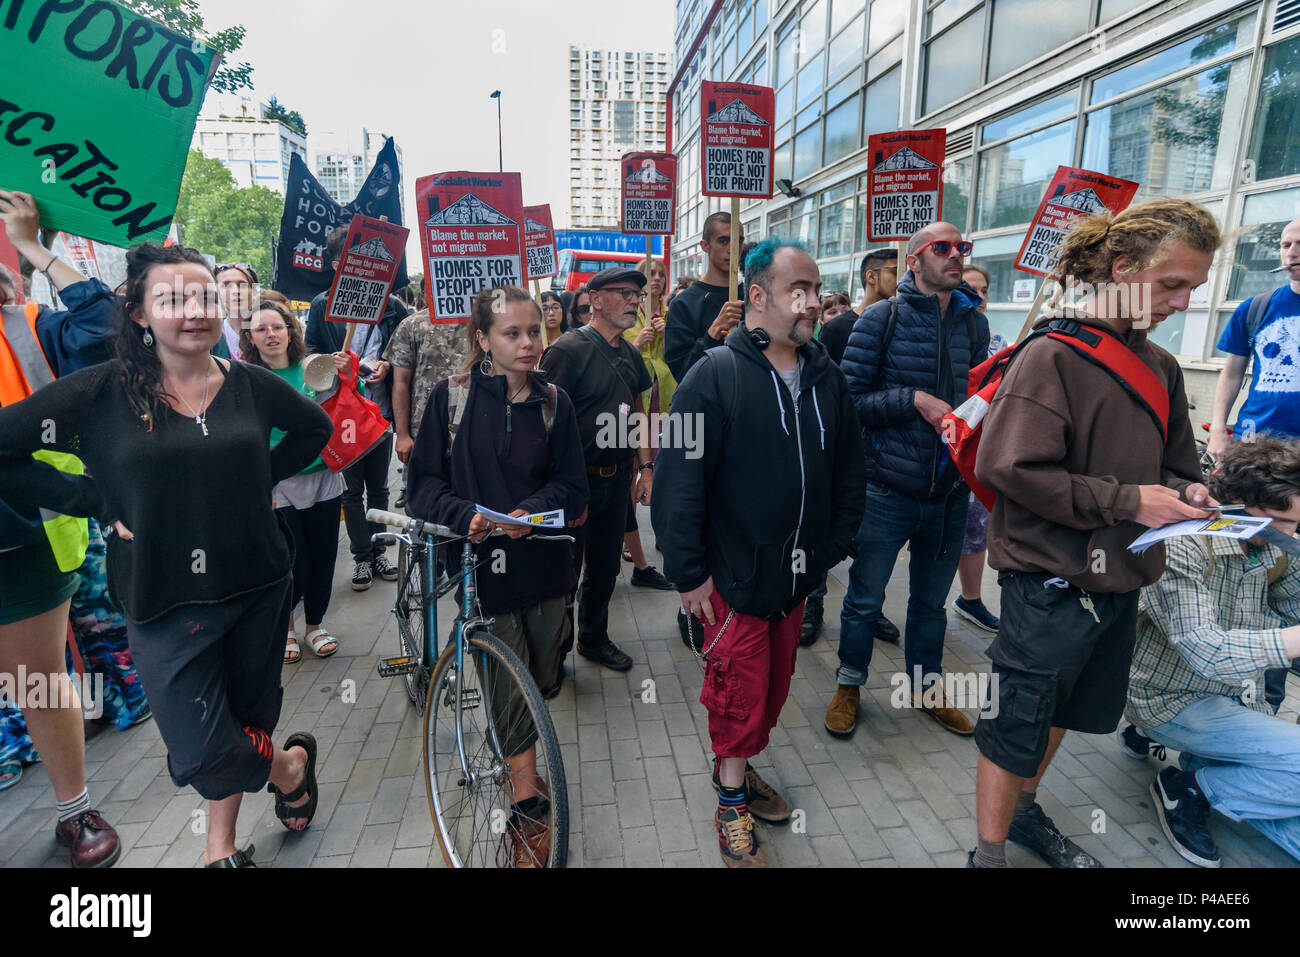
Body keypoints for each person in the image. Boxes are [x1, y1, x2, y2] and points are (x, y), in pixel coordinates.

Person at [0, 243, 335, 868]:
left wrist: (257, 482)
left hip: (259, 584)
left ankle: (220, 848)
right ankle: (289, 769)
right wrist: (94, 499)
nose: (194, 311)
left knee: (249, 716)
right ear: (138, 313)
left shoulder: (253, 386)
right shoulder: (99, 393)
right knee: (203, 749)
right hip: (162, 600)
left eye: (206, 296)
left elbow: (316, 429)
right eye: (172, 299)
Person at [969, 198, 1219, 869]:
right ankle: (986, 854)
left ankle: (1021, 813)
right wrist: (1129, 499)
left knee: (1061, 713)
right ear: (1122, 266)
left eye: (1192, 289)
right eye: (1171, 284)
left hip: (1121, 582)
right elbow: (1007, 465)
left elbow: (1177, 462)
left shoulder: (1163, 368)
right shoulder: (1051, 355)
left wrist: (1190, 490)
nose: (1183, 302)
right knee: (1015, 722)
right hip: (1049, 583)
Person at [653, 238, 866, 867]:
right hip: (732, 582)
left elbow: (851, 468)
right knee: (737, 697)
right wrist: (688, 574)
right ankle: (730, 798)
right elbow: (677, 483)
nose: (814, 302)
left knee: (772, 696)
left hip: (795, 581)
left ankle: (739, 768)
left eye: (817, 288)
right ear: (758, 296)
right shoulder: (713, 375)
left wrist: (834, 545)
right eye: (799, 290)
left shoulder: (827, 375)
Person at [407, 286, 587, 864]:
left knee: (543, 680)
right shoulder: (450, 400)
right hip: (484, 570)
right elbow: (422, 487)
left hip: (548, 569)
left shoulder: (556, 403)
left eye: (534, 331)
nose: (529, 343)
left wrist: (528, 514)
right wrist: (468, 516)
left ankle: (525, 760)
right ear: (482, 340)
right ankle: (528, 805)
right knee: (509, 691)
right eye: (513, 333)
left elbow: (573, 487)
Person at [0, 188, 126, 865]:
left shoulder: (24, 322)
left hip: (21, 538)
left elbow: (105, 332)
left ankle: (74, 811)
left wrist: (35, 249)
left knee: (38, 681)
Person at [824, 224, 990, 741]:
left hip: (949, 492)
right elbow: (846, 403)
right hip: (888, 489)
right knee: (865, 600)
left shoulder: (972, 324)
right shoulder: (880, 318)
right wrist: (913, 399)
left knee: (929, 604)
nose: (956, 255)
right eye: (943, 248)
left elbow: (979, 395)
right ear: (914, 261)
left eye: (962, 247)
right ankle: (849, 684)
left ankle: (925, 687)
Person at [1115, 437, 1300, 866]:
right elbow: (1207, 651)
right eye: (1283, 520)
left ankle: (1213, 775)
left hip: (1237, 698)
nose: (1291, 534)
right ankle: (1187, 789)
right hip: (1170, 699)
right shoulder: (1179, 545)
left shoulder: (1275, 547)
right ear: (1237, 503)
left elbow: (1292, 610)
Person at [539, 268, 655, 672]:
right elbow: (544, 425)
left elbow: (639, 413)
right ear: (596, 299)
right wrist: (564, 487)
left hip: (618, 479)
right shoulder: (566, 351)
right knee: (562, 575)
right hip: (575, 485)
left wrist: (646, 468)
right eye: (624, 293)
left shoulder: (631, 354)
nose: (634, 301)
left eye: (637, 295)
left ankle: (593, 639)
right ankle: (552, 654)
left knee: (605, 570)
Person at [800, 247, 902, 647]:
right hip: (839, 447)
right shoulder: (840, 328)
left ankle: (869, 607)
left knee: (872, 538)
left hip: (883, 454)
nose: (903, 277)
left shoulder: (903, 325)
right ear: (872, 277)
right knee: (821, 525)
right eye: (896, 270)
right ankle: (812, 604)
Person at [241, 301, 346, 662]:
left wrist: (349, 374)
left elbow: (346, 402)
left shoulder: (312, 368)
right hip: (277, 485)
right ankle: (285, 628)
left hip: (323, 478)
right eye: (261, 329)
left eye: (277, 327)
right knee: (290, 561)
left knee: (324, 557)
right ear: (250, 338)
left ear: (290, 330)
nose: (271, 334)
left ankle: (315, 626)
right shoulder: (245, 380)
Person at [306, 225, 403, 591]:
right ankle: (362, 557)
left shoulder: (391, 305)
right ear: (337, 265)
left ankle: (379, 550)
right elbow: (310, 352)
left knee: (379, 489)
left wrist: (387, 364)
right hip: (341, 409)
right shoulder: (321, 305)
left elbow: (396, 350)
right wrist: (335, 364)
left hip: (378, 409)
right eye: (353, 260)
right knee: (351, 491)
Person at [1209, 216, 1300, 462]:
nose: (1292, 253)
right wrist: (1218, 430)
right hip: (1255, 441)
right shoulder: (1254, 308)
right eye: (1285, 245)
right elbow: (1231, 374)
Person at [950, 263, 1004, 634]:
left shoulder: (1000, 345)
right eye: (970, 287)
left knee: (974, 527)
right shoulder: (946, 335)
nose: (978, 295)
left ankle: (970, 598)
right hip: (943, 447)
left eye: (983, 289)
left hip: (979, 452)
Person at [620, 256, 674, 592]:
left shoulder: (670, 313)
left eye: (660, 273)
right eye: (650, 273)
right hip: (634, 402)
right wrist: (638, 342)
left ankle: (664, 536)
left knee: (664, 469)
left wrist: (670, 335)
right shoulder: (628, 314)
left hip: (666, 401)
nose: (656, 277)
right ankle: (629, 542)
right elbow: (617, 354)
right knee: (632, 472)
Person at [383, 304, 467, 512]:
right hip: (424, 433)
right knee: (423, 508)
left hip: (473, 433)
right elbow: (400, 382)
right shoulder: (412, 324)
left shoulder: (486, 323)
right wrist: (402, 435)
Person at [665, 211, 745, 383]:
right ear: (705, 245)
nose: (733, 248)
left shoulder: (754, 297)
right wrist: (713, 332)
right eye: (723, 241)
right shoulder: (683, 303)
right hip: (706, 405)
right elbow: (683, 372)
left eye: (739, 240)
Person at [212, 262, 258, 361]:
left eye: (242, 285)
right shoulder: (210, 338)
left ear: (253, 291)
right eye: (226, 286)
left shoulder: (271, 330)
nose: (235, 291)